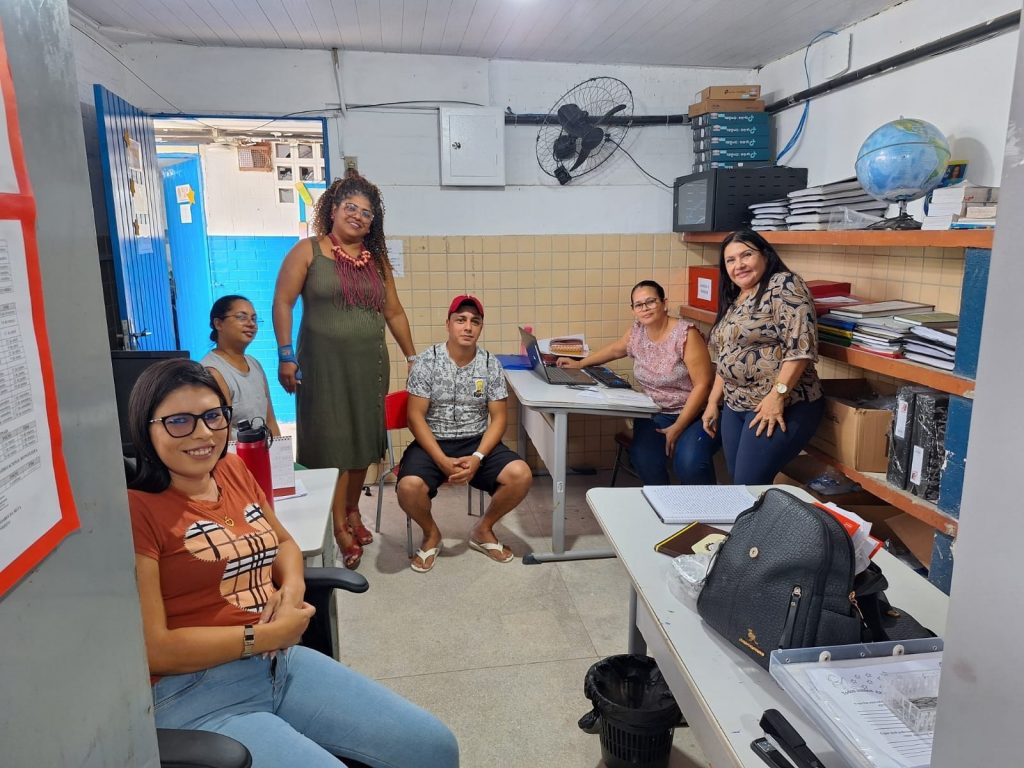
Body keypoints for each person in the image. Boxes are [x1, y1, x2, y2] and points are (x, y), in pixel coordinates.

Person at [125, 359, 459, 768]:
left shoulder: (230, 468)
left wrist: (292, 590)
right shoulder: (136, 509)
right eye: (179, 421)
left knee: (434, 747)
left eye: (213, 416)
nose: (203, 433)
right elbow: (155, 649)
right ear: (145, 427)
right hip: (197, 691)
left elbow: (284, 542)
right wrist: (262, 637)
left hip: (278, 664)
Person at [273, 170, 417, 569]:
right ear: (333, 209)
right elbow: (283, 301)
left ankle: (353, 510)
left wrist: (413, 357)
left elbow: (394, 312)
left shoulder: (377, 261)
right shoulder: (308, 252)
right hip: (323, 369)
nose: (358, 216)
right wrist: (285, 354)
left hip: (369, 367)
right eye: (351, 207)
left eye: (367, 213)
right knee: (332, 445)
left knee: (361, 443)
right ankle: (337, 525)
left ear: (373, 223)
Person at [397, 295, 533, 573]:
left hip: (476, 441)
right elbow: (415, 418)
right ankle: (431, 533)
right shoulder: (426, 362)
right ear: (448, 324)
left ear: (481, 327)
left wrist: (478, 457)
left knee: (521, 474)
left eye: (475, 321)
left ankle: (483, 529)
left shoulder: (490, 364)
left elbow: (499, 419)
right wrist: (441, 460)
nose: (468, 327)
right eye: (460, 320)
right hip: (433, 441)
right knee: (408, 488)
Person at [557, 280, 720, 485]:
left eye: (650, 302)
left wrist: (678, 426)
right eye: (639, 305)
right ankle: (663, 502)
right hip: (654, 412)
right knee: (644, 459)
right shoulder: (637, 331)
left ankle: (707, 504)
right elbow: (616, 350)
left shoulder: (686, 334)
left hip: (695, 414)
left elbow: (703, 385)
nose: (645, 308)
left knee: (689, 464)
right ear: (633, 310)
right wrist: (580, 364)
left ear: (664, 303)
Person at [701, 229, 825, 485]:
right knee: (739, 482)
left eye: (746, 255)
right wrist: (713, 401)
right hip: (736, 404)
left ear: (765, 255)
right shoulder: (738, 296)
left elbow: (800, 348)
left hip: (782, 404)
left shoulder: (784, 285)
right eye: (730, 260)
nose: (739, 265)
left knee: (748, 483)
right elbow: (728, 354)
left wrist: (777, 396)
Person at [201, 294, 280, 438]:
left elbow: (270, 421)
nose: (251, 324)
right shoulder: (212, 371)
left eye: (254, 319)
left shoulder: (254, 364)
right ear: (218, 324)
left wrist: (279, 451)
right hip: (238, 452)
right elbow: (222, 436)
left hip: (263, 449)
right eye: (242, 317)